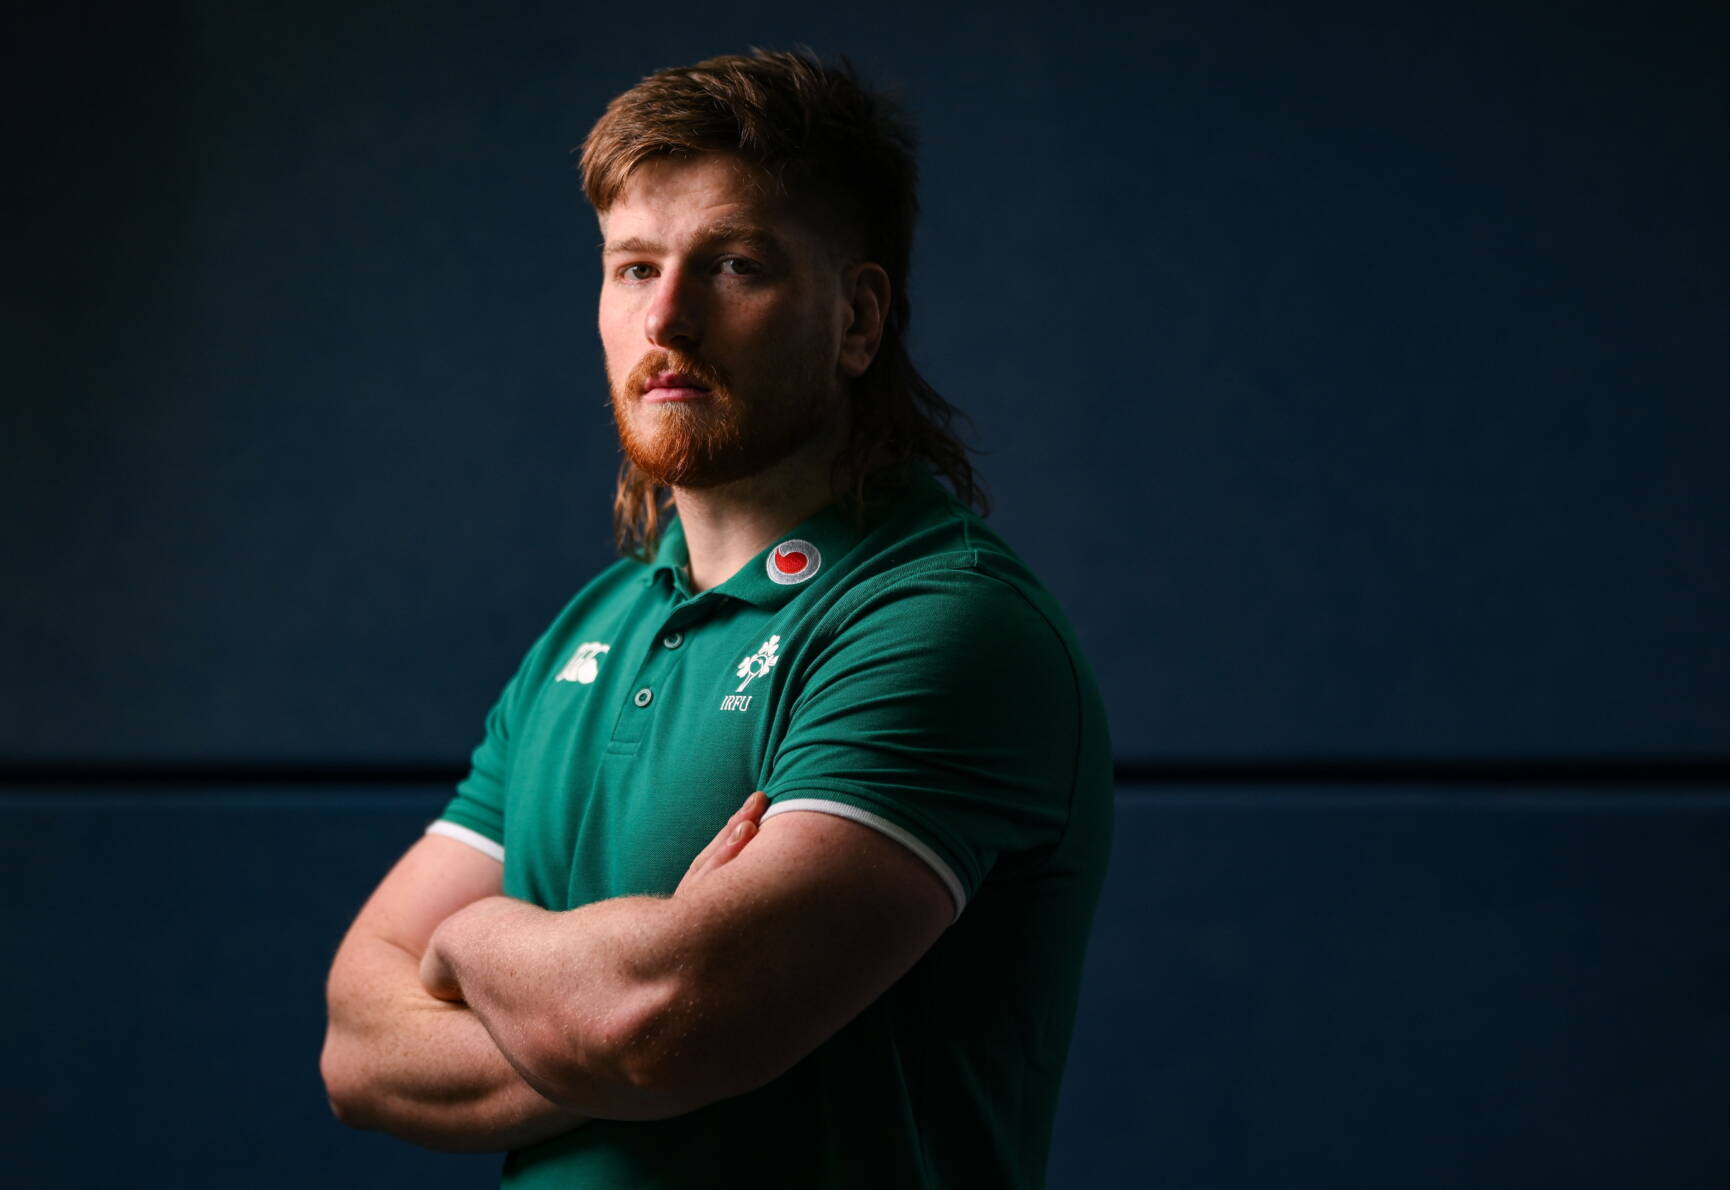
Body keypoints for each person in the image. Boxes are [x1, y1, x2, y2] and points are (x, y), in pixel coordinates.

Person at [320, 48, 1112, 1189]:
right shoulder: (590, 628)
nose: (669, 318)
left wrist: (474, 942)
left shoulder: (936, 623)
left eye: (732, 265)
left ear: (856, 316)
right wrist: (608, 1026)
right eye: (633, 267)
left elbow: (662, 1020)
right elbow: (357, 1046)